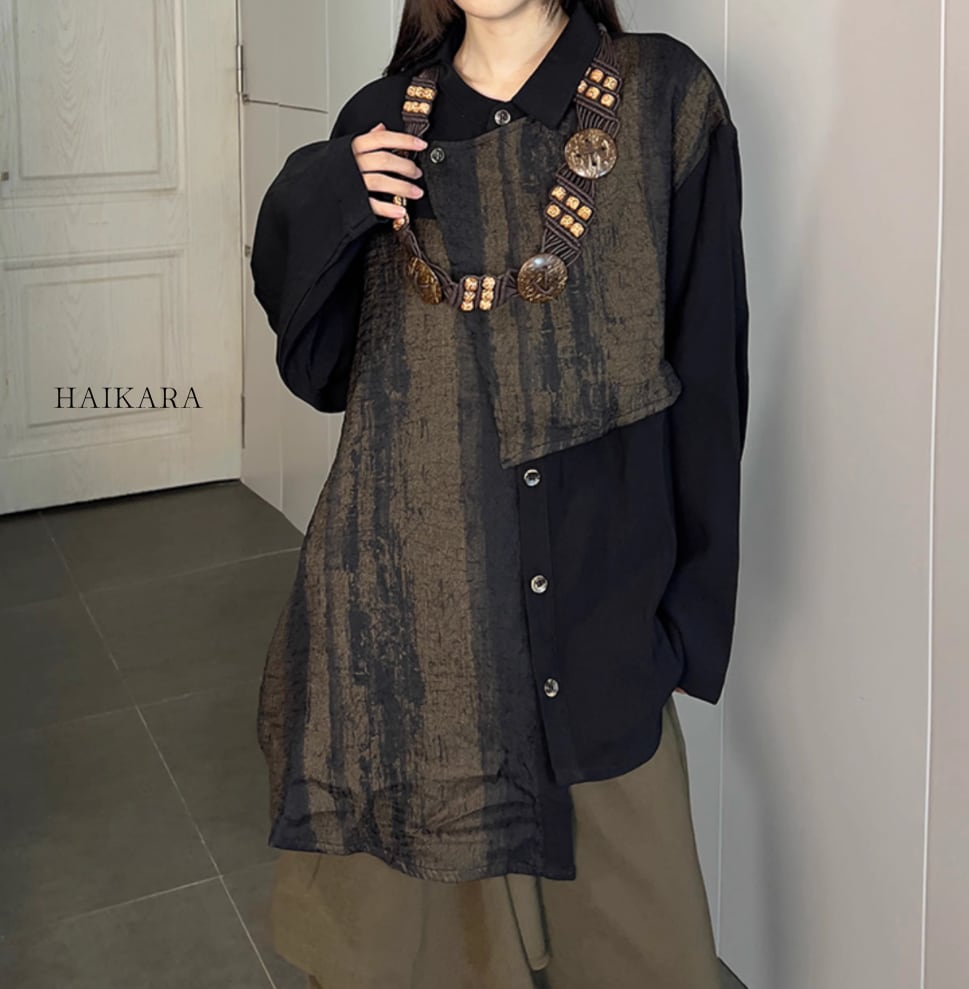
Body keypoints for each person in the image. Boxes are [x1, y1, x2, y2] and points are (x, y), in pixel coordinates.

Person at [249, 0, 749, 985]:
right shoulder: (383, 120)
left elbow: (708, 373)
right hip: (413, 636)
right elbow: (321, 368)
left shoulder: (664, 98)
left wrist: (684, 621)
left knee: (644, 947)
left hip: (598, 621)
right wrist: (331, 190)